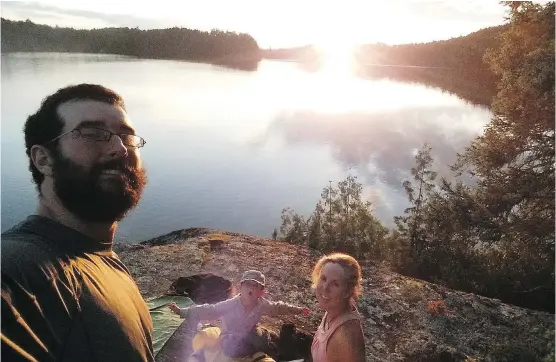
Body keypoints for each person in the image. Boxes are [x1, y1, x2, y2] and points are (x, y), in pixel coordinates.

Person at [1, 84, 153, 361]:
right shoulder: (19, 269)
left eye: (127, 137)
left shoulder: (102, 258)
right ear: (43, 159)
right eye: (93, 134)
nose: (119, 149)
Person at [168, 270, 311, 359]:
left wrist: (298, 309)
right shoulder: (230, 304)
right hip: (230, 335)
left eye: (256, 286)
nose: (251, 288)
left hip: (250, 331)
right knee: (231, 349)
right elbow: (208, 309)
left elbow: (279, 307)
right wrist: (182, 311)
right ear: (241, 287)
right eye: (248, 284)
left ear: (261, 291)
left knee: (264, 345)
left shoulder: (262, 304)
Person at [310, 253, 366, 362]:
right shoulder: (333, 310)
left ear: (347, 291)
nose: (325, 288)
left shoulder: (344, 335)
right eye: (323, 278)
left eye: (335, 284)